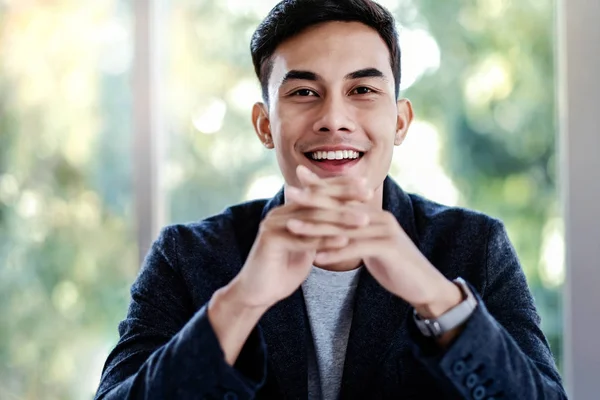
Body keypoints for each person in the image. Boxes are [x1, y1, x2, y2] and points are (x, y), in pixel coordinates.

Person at [95, 0, 567, 399]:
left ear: (400, 122)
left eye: (362, 90)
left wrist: (436, 298)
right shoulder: (187, 256)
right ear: (264, 125)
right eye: (303, 91)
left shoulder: (475, 246)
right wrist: (241, 302)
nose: (334, 118)